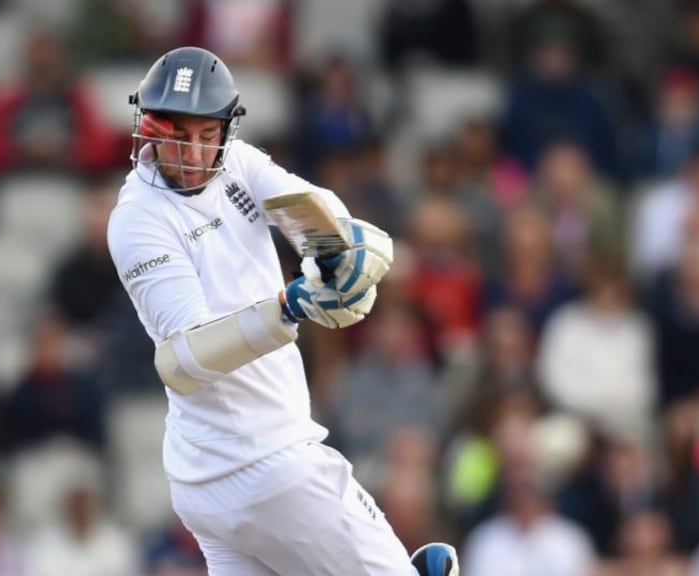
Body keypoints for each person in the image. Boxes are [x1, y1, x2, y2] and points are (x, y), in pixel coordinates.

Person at [107, 45, 458, 576]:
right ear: (152, 128)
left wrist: (340, 251)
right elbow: (183, 361)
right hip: (265, 463)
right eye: (182, 136)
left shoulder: (238, 162)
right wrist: (289, 306)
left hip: (216, 474)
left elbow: (306, 210)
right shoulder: (138, 220)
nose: (198, 155)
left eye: (209, 135)